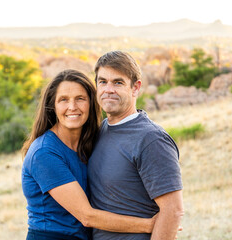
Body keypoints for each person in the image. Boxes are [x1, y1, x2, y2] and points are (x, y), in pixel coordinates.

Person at [21, 69, 157, 240]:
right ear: (53, 106)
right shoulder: (44, 153)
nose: (72, 107)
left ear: (91, 103)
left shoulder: (91, 142)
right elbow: (87, 216)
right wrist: (150, 224)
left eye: (80, 99)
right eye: (63, 100)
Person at [88, 51, 184, 240]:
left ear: (135, 87)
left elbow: (173, 211)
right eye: (102, 82)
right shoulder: (101, 130)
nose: (108, 89)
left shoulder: (151, 139)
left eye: (118, 82)